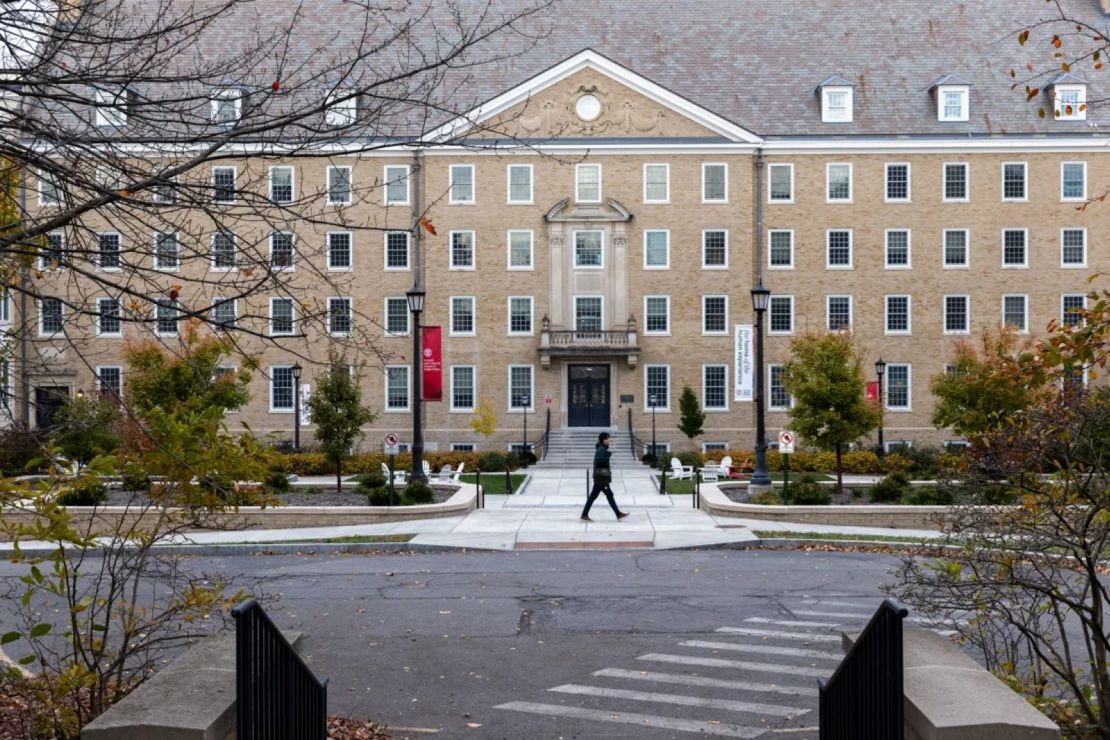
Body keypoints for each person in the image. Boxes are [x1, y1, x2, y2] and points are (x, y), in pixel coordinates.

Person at [581, 432, 630, 521]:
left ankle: (585, 514)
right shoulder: (601, 449)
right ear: (604, 439)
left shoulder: (602, 448)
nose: (610, 440)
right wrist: (608, 454)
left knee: (597, 496)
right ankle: (618, 514)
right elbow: (599, 461)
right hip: (601, 477)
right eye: (608, 438)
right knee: (606, 495)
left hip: (600, 477)